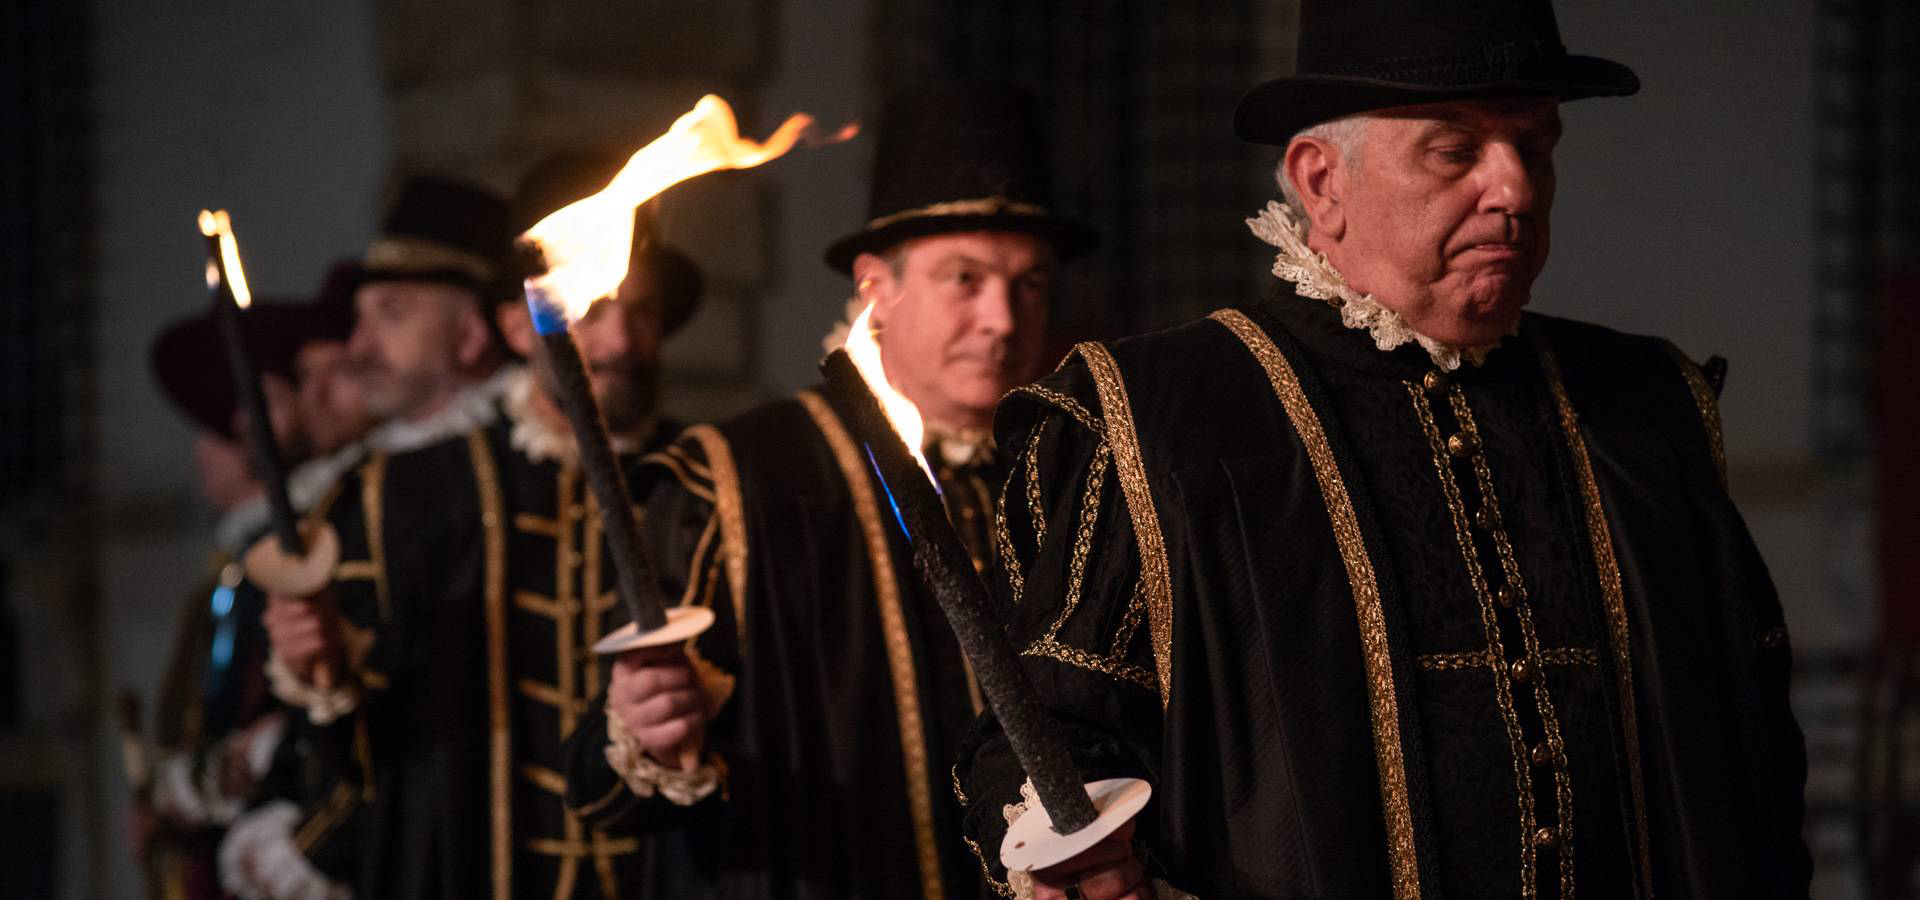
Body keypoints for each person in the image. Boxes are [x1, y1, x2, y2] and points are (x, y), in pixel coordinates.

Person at [953, 3, 1810, 899]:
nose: (1514, 189)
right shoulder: (1162, 417)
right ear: (1321, 181)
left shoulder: (1645, 406)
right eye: (1455, 150)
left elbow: (1755, 761)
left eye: (1536, 146)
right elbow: (1053, 727)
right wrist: (1070, 849)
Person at [558, 81, 1097, 900]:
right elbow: (608, 790)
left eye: (1029, 285)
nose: (1001, 318)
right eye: (965, 278)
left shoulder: (1075, 474)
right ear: (878, 287)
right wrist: (649, 728)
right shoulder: (738, 477)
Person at [260, 156, 704, 900]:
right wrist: (321, 667)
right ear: (516, 326)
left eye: (643, 312)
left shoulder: (705, 481)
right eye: (595, 310)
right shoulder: (404, 494)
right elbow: (366, 751)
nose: (622, 343)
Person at [141, 280, 363, 900]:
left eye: (268, 397)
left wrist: (274, 769)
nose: (240, 425)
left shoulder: (348, 520)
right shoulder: (245, 554)